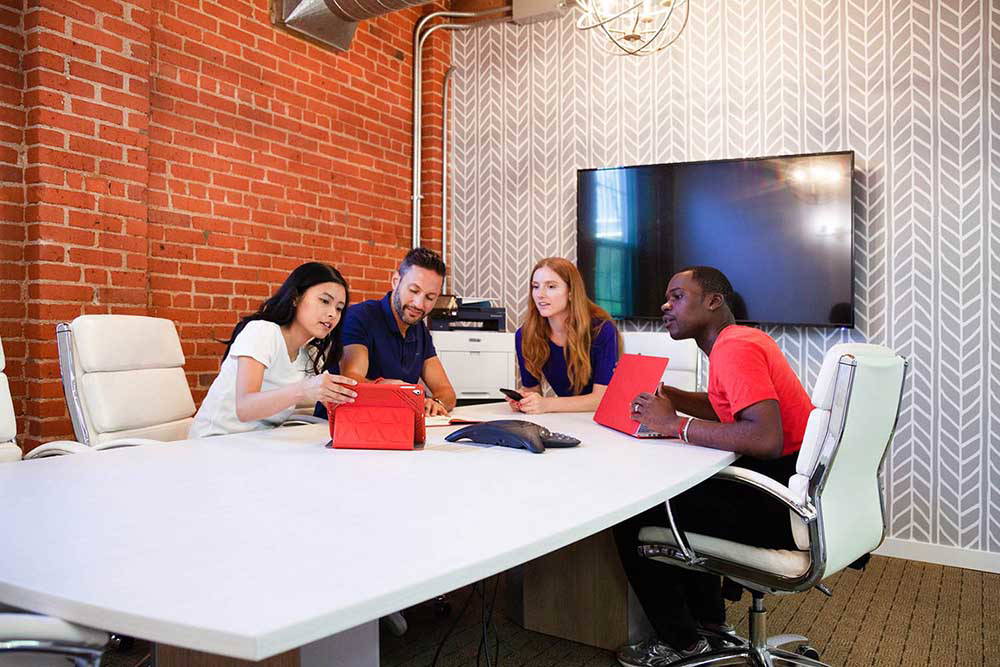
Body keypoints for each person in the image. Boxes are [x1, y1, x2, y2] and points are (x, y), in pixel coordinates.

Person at [613, 266, 813, 667]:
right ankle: (710, 624)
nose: (665, 305)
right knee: (685, 498)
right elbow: (729, 408)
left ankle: (682, 643)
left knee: (635, 516)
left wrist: (673, 424)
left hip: (778, 504)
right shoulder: (739, 341)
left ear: (714, 301)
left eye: (677, 296)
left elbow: (764, 438)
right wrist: (673, 396)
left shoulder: (733, 348)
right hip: (796, 496)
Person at [190, 262, 359, 438]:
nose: (333, 313)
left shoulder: (310, 354)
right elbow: (244, 408)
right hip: (215, 441)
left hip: (259, 442)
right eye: (324, 301)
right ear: (296, 297)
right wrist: (304, 390)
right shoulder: (262, 332)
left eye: (339, 308)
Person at [315, 247, 457, 419]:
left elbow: (446, 391)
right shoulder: (360, 317)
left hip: (394, 426)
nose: (419, 304)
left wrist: (435, 403)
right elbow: (352, 380)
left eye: (430, 297)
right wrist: (389, 388)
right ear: (396, 281)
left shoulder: (420, 330)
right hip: (340, 426)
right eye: (413, 291)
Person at [511, 257, 621, 414]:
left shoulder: (602, 330)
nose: (540, 294)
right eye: (535, 287)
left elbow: (601, 399)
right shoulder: (525, 335)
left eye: (551, 286)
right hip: (564, 419)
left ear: (570, 292)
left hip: (603, 419)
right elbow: (532, 390)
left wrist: (546, 405)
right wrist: (525, 401)